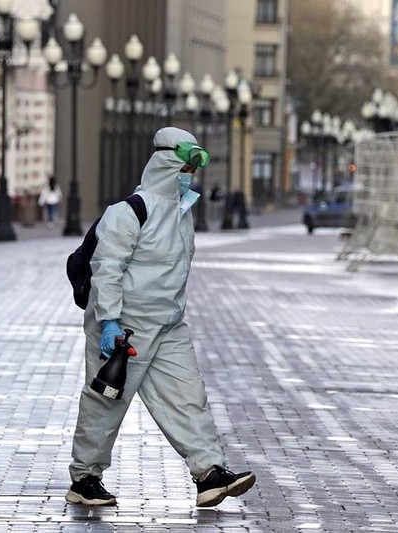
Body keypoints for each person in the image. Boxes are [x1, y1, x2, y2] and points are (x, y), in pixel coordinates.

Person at [66, 127, 256, 508]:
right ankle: (84, 479)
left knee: (189, 397)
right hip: (125, 327)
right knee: (106, 402)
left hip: (169, 326)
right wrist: (109, 322)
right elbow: (107, 268)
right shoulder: (129, 212)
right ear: (167, 165)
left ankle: (210, 474)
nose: (190, 176)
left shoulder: (183, 213)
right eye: (186, 167)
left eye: (193, 169)